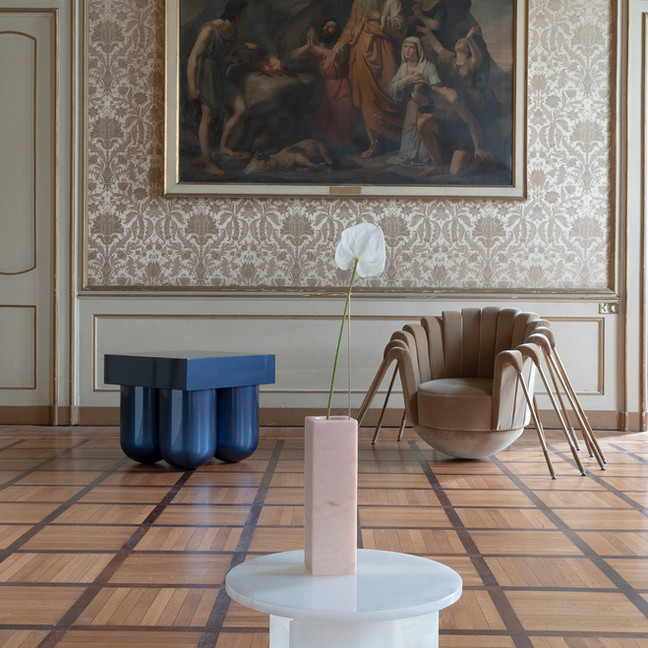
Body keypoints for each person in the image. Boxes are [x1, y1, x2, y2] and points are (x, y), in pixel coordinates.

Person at [186, 0, 257, 176]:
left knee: (241, 109)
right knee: (208, 117)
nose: (246, 16)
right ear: (235, 14)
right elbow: (193, 57)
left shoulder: (233, 28)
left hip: (219, 72)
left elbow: (227, 48)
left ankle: (223, 146)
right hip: (206, 74)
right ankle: (208, 163)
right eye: (244, 13)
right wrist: (192, 87)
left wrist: (246, 45)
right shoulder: (210, 30)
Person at [329, 0, 407, 158]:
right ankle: (374, 143)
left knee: (392, 95)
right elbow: (350, 27)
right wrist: (337, 48)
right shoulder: (359, 2)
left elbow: (401, 28)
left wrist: (380, 18)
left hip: (383, 51)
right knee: (366, 100)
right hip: (360, 51)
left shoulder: (392, 1)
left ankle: (405, 139)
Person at [290, 20, 354, 147]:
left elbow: (333, 55)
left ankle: (340, 148)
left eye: (331, 27)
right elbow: (293, 56)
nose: (326, 28)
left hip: (344, 87)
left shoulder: (340, 46)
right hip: (328, 89)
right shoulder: (318, 46)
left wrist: (313, 46)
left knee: (341, 120)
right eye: (325, 25)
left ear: (337, 31)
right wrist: (308, 46)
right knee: (321, 124)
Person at [388, 36, 442, 166]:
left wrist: (424, 85)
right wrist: (406, 80)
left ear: (418, 51)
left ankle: (426, 157)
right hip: (411, 108)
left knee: (423, 134)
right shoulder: (403, 68)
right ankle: (409, 155)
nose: (407, 50)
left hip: (426, 107)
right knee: (409, 132)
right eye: (405, 47)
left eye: (411, 47)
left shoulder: (428, 67)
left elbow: (437, 86)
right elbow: (392, 87)